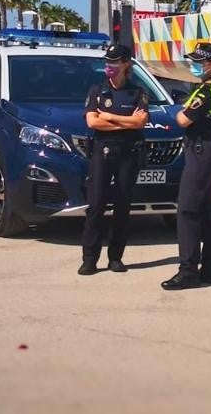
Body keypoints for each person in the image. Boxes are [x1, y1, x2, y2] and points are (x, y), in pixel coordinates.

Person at [161, 42, 211, 290]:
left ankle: (188, 270)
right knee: (205, 210)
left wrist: (180, 111)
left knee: (188, 211)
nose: (194, 65)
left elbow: (182, 118)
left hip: (202, 151)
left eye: (198, 62)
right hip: (207, 150)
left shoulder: (209, 89)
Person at [80, 44, 149, 276]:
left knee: (122, 207)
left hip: (128, 154)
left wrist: (109, 116)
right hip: (102, 152)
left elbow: (141, 123)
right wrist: (125, 121)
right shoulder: (96, 90)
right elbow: (92, 122)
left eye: (115, 62)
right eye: (107, 62)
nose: (109, 66)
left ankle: (116, 257)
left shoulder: (138, 92)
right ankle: (90, 259)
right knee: (96, 205)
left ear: (126, 64)